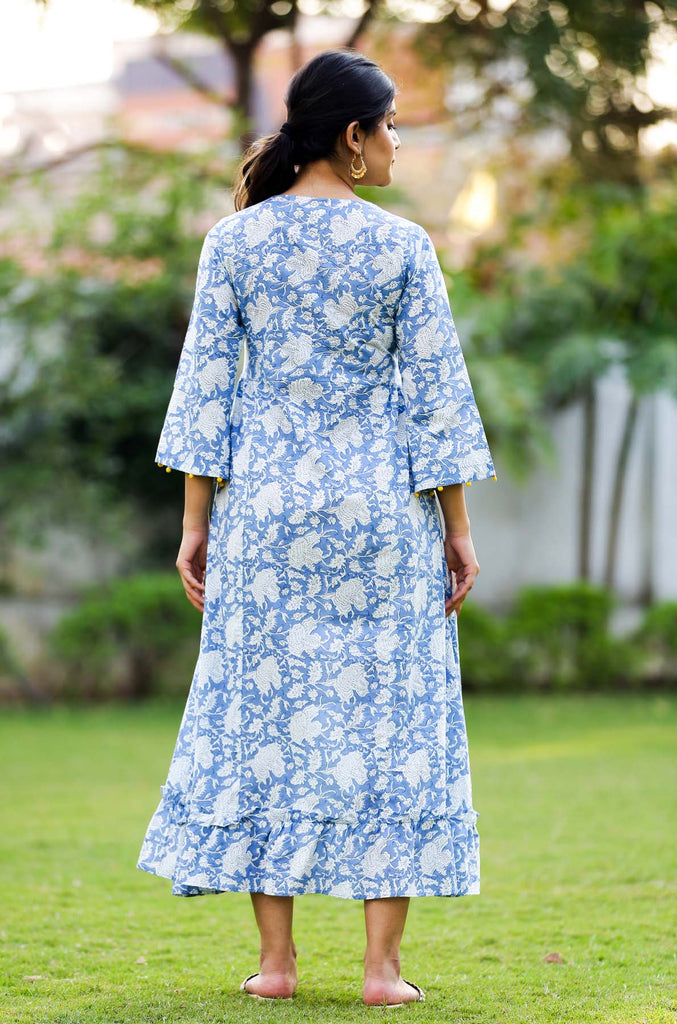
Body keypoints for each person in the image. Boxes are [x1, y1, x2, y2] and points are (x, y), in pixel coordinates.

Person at [136, 46, 497, 1008]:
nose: (394, 143)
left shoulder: (235, 242)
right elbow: (435, 402)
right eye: (387, 126)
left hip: (266, 517)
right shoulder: (401, 247)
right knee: (395, 723)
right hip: (382, 517)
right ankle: (381, 973)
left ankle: (277, 965)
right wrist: (456, 528)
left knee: (268, 721)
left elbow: (205, 396)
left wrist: (194, 523)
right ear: (350, 134)